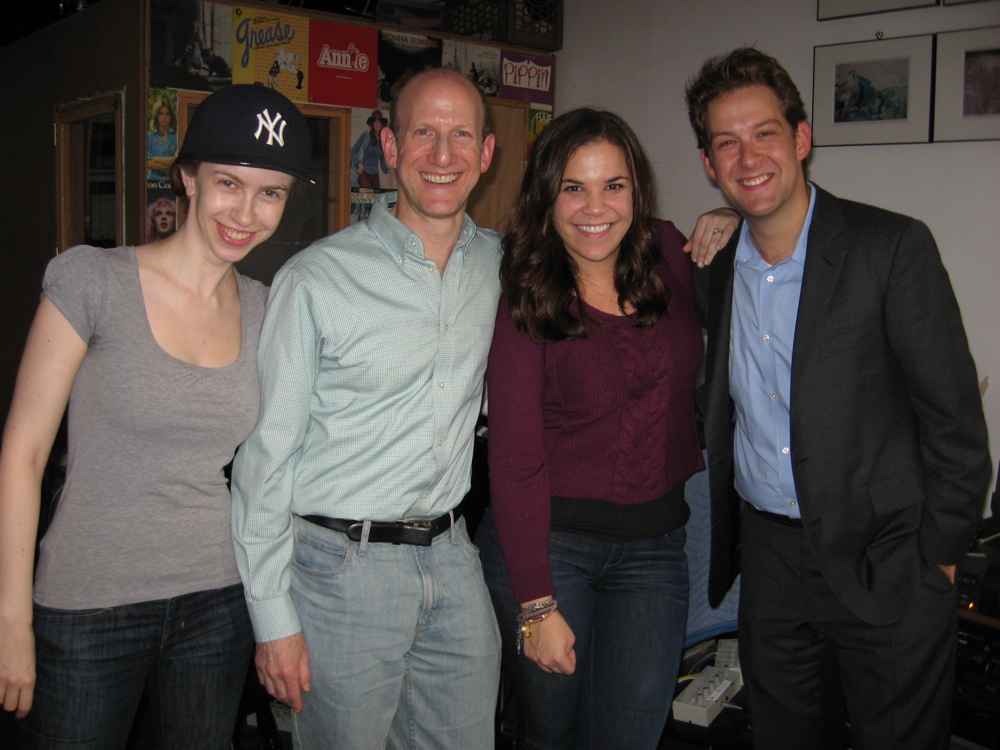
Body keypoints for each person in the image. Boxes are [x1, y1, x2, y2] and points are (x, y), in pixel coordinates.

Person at [685, 47, 991, 749]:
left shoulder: (891, 248)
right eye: (725, 142)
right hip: (771, 562)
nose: (747, 155)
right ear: (708, 164)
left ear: (801, 138)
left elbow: (956, 425)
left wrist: (939, 560)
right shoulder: (715, 266)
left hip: (889, 562)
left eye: (764, 133)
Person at [0, 83, 311, 748]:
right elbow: (23, 455)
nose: (247, 212)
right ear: (188, 178)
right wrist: (11, 621)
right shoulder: (94, 282)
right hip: (87, 606)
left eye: (270, 193)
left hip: (217, 602)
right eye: (228, 183)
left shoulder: (266, 310)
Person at [231, 67, 501, 749]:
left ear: (487, 154)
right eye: (423, 134)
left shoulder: (505, 268)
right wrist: (273, 619)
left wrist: (720, 227)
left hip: (454, 558)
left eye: (461, 135)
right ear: (388, 145)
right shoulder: (316, 280)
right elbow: (267, 457)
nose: (443, 156)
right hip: (340, 572)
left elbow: (601, 237)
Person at [478, 108, 737, 749]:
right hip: (549, 547)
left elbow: (767, 278)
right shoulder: (527, 289)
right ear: (547, 195)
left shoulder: (671, 255)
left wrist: (738, 221)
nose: (595, 206)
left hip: (654, 548)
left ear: (636, 191)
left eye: (613, 185)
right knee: (551, 734)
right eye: (573, 187)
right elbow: (512, 457)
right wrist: (536, 606)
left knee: (630, 735)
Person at [351, 109, 390, 189]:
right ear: (372, 124)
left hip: (375, 174)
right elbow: (353, 151)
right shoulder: (366, 136)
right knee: (367, 195)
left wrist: (389, 172)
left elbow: (382, 162)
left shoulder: (383, 141)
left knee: (376, 198)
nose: (377, 124)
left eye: (379, 121)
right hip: (364, 172)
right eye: (375, 121)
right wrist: (359, 164)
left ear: (382, 124)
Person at [147, 98, 178, 180]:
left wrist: (157, 159)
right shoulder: (149, 136)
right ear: (157, 115)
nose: (164, 117)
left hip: (171, 180)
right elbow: (148, 163)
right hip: (153, 180)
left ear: (171, 117)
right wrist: (170, 163)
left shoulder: (176, 136)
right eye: (161, 113)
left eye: (167, 114)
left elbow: (178, 160)